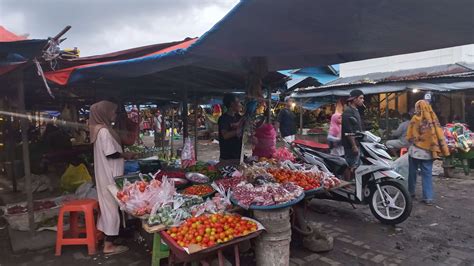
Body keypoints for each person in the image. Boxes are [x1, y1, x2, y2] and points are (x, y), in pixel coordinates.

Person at [89, 100, 135, 255]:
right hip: (110, 176)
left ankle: (109, 237)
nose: (114, 114)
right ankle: (108, 245)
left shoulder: (100, 129)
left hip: (106, 174)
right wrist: (125, 155)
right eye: (112, 111)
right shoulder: (104, 132)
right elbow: (111, 153)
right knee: (111, 208)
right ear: (104, 112)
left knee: (109, 207)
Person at [406, 100, 449, 205]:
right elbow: (438, 134)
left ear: (418, 108)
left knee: (412, 173)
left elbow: (410, 136)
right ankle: (428, 197)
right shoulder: (433, 120)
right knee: (427, 175)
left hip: (415, 152)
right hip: (428, 152)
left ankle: (410, 193)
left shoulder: (415, 119)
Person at [341, 90, 365, 175]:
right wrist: (353, 145)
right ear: (354, 99)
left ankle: (354, 183)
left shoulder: (356, 110)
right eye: (361, 98)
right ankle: (347, 184)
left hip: (357, 142)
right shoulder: (348, 112)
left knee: (355, 165)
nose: (363, 100)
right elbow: (348, 131)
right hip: (350, 144)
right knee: (349, 165)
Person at [218, 93, 243, 162]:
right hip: (227, 158)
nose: (240, 105)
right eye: (238, 102)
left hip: (239, 155)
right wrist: (239, 131)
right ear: (232, 104)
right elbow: (225, 135)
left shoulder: (239, 117)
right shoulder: (223, 119)